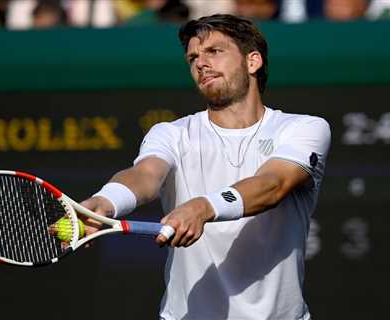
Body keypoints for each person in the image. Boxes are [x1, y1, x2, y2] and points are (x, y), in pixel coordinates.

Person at [81, 14, 331, 320]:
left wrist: (203, 207)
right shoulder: (170, 133)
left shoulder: (304, 129)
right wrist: (106, 201)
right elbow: (145, 175)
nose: (200, 63)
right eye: (193, 58)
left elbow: (273, 184)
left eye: (214, 51)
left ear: (253, 62)